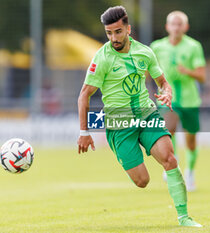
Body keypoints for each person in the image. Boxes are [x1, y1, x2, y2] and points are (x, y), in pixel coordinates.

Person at [77, 6, 202, 227]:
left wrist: (167, 92)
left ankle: (184, 217)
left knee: (170, 158)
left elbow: (162, 82)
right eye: (109, 33)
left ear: (128, 29)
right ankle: (129, 150)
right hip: (119, 123)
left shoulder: (145, 52)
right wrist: (84, 132)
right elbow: (84, 95)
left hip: (147, 113)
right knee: (142, 181)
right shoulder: (102, 57)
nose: (113, 38)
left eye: (117, 31)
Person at [150, 11, 206, 191]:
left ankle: (190, 173)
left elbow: (202, 76)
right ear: (167, 27)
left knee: (190, 140)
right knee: (167, 131)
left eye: (179, 24)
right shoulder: (157, 47)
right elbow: (148, 71)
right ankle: (172, 164)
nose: (176, 27)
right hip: (168, 99)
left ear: (185, 27)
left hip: (190, 100)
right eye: (173, 24)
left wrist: (187, 71)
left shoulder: (194, 46)